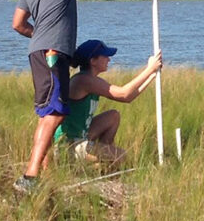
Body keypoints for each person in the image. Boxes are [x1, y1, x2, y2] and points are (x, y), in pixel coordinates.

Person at [12, 0, 157, 193]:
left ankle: (42, 173)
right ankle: (31, 177)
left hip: (38, 53)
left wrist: (41, 35)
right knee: (53, 114)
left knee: (48, 113)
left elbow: (18, 24)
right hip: (53, 54)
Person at [47, 39, 162, 169]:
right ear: (93, 61)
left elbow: (129, 98)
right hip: (68, 144)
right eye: (105, 56)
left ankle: (103, 158)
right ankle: (83, 168)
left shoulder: (90, 79)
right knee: (122, 156)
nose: (109, 60)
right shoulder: (84, 81)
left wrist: (152, 75)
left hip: (81, 137)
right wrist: (149, 69)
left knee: (113, 116)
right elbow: (124, 94)